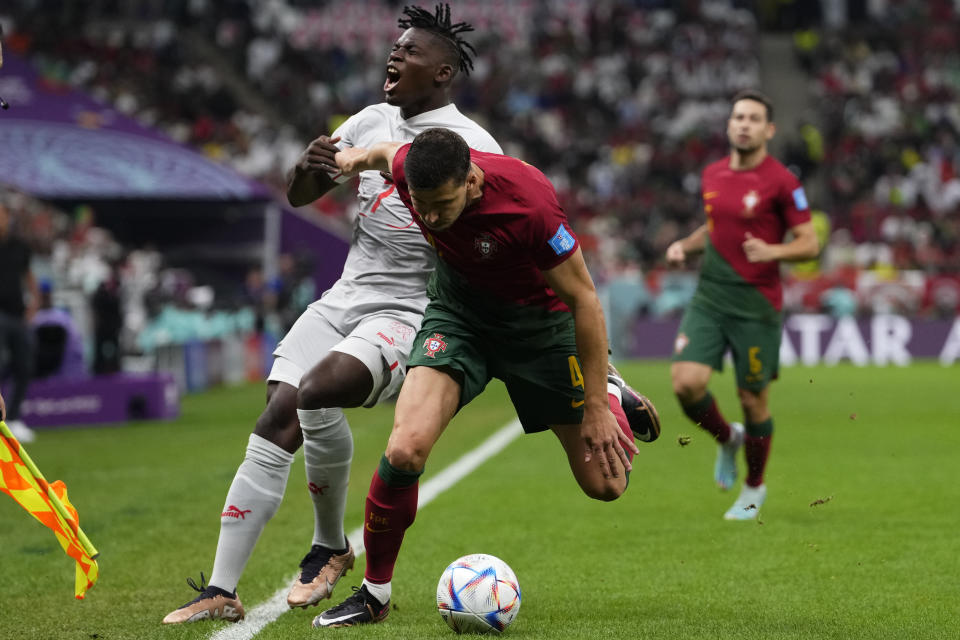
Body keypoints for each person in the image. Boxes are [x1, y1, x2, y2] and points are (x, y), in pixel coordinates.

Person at [161, 4, 505, 625]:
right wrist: (310, 165)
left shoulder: (473, 146)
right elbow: (300, 194)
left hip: (411, 308)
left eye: (410, 51)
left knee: (316, 392)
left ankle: (326, 546)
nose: (394, 56)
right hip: (346, 295)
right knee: (277, 410)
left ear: (445, 72)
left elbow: (497, 238)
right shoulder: (369, 120)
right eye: (394, 48)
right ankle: (222, 587)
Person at [313, 127, 661, 628]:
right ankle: (374, 594)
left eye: (441, 204)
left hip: (540, 330)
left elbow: (584, 299)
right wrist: (351, 160)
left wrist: (595, 408)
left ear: (472, 181)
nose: (429, 216)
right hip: (461, 318)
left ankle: (605, 385)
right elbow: (383, 152)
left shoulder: (530, 203)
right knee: (405, 448)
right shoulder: (413, 167)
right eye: (421, 204)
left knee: (606, 486)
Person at [665, 90, 819, 521]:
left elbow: (810, 243)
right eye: (738, 117)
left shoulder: (783, 183)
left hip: (756, 304)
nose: (744, 124)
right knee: (685, 383)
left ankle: (754, 488)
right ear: (729, 125)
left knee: (753, 401)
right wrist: (684, 246)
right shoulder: (712, 174)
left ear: (769, 129)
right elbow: (715, 228)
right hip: (711, 296)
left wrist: (773, 252)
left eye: (754, 118)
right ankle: (727, 438)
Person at [0, 202, 39, 444]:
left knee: (24, 365)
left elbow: (29, 276)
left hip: (17, 314)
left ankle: (13, 418)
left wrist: (34, 303)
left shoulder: (19, 247)